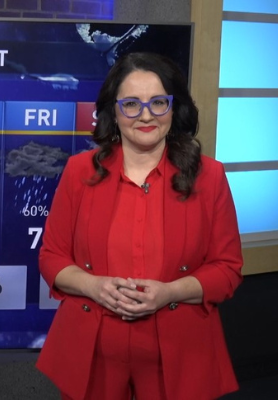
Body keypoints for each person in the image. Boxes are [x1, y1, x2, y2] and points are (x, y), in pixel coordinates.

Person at [36, 52, 243, 400]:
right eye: (131, 104)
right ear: (113, 112)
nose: (146, 115)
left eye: (158, 102)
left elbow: (227, 269)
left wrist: (170, 293)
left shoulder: (209, 176)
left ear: (174, 109)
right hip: (94, 353)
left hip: (179, 355)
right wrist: (94, 286)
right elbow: (52, 257)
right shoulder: (79, 171)